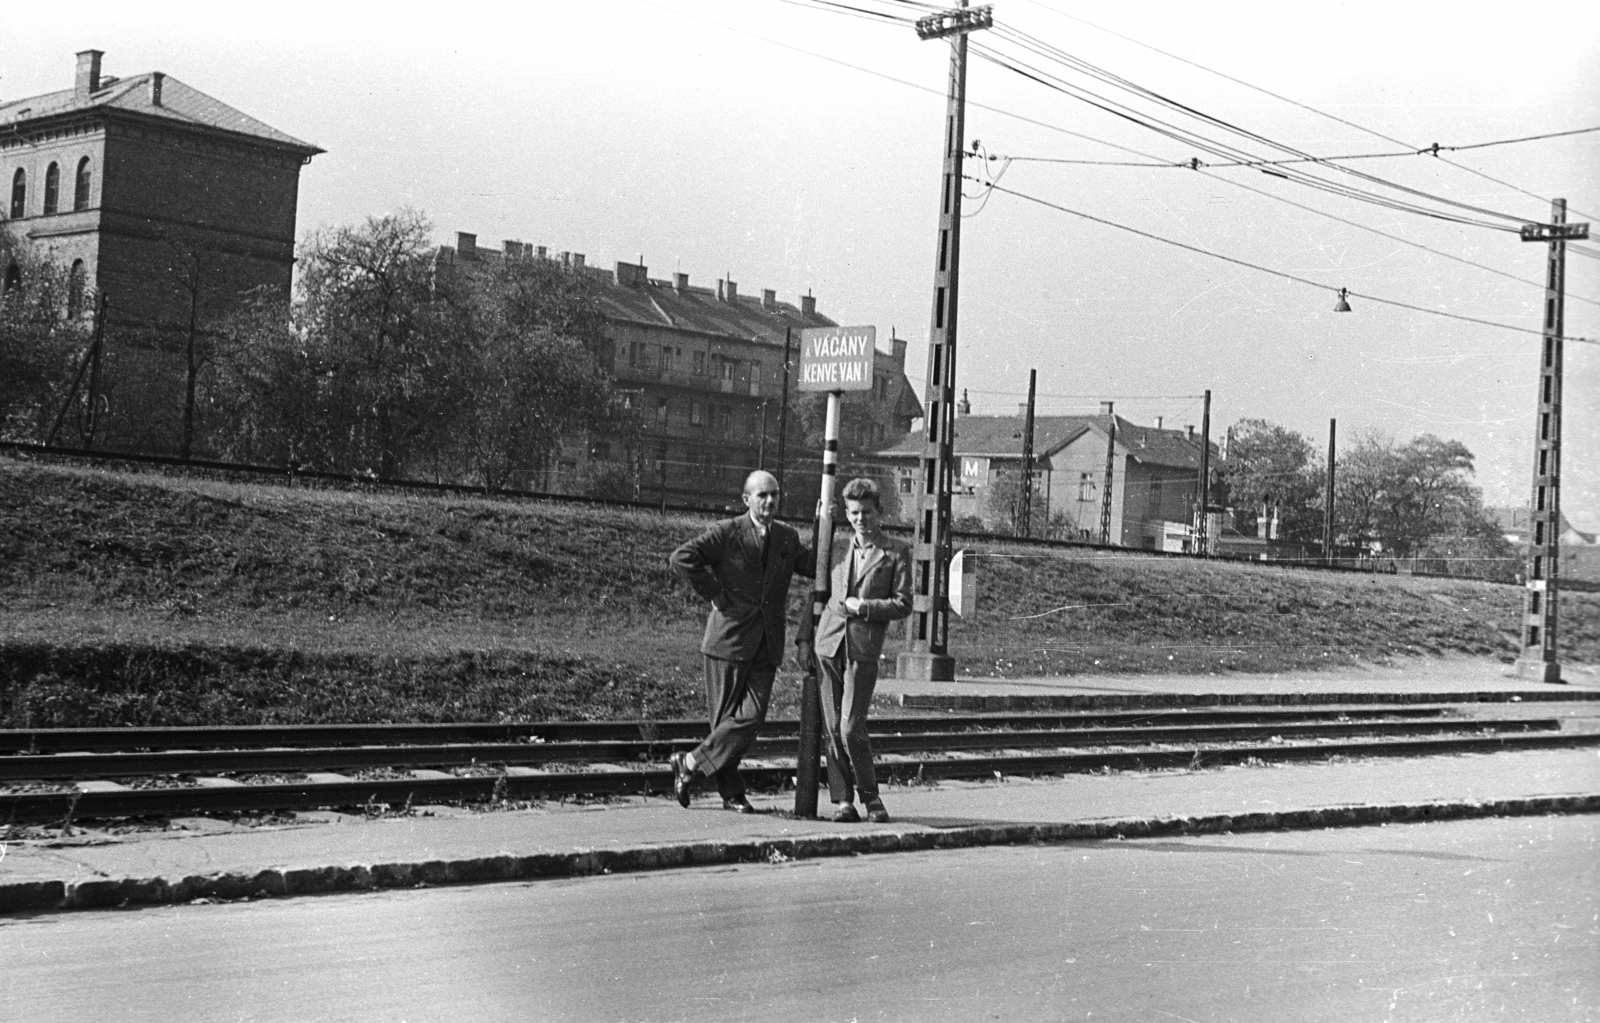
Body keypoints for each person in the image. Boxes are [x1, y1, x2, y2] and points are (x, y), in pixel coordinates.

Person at [668, 470, 815, 813]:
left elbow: (812, 566)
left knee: (750, 718)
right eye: (761, 495)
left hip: (766, 642)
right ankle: (731, 794)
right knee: (725, 724)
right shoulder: (728, 532)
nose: (769, 501)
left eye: (774, 494)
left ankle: (688, 763)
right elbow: (682, 558)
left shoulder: (787, 537)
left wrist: (826, 529)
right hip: (728, 641)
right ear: (746, 499)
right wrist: (715, 593)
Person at [813, 477, 911, 823]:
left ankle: (872, 799)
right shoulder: (837, 547)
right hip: (828, 643)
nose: (859, 519)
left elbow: (903, 604)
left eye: (866, 512)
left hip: (862, 648)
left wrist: (866, 607)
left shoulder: (896, 552)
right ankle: (843, 801)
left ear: (879, 512)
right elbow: (818, 590)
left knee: (850, 726)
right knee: (831, 725)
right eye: (853, 513)